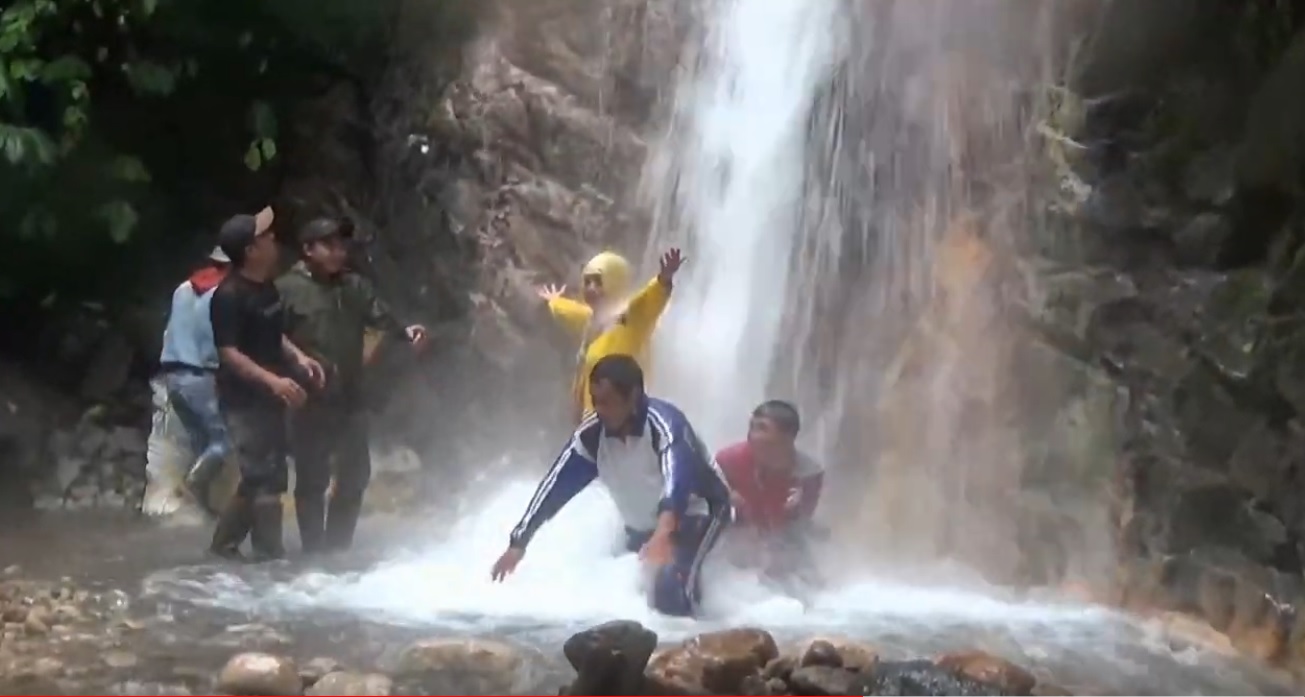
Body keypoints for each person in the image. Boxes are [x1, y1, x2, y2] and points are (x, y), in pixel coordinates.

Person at [490, 354, 732, 618]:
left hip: (699, 514)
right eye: (596, 402)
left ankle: (697, 643)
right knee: (617, 590)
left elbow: (679, 482)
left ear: (633, 397)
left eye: (608, 403)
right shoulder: (593, 435)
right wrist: (519, 542)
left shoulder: (666, 426)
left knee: (669, 590)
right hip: (643, 525)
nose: (600, 410)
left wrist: (663, 535)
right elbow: (555, 487)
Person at [276, 217, 429, 554]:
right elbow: (269, 336)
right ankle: (314, 552)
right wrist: (291, 366)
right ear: (307, 249)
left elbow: (382, 318)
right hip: (309, 398)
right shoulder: (286, 289)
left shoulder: (354, 286)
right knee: (312, 479)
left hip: (350, 396)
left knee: (356, 475)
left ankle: (338, 550)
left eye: (341, 246)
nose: (337, 252)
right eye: (328, 245)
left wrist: (406, 332)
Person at [207, 207, 325, 562]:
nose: (274, 239)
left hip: (271, 394)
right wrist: (273, 381)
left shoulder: (267, 286)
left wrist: (298, 357)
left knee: (263, 472)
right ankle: (270, 556)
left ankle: (223, 547)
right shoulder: (228, 295)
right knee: (268, 476)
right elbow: (229, 353)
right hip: (243, 399)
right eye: (265, 237)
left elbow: (275, 335)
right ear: (250, 251)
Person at [537, 248, 684, 424]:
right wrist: (554, 300)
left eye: (599, 282)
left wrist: (664, 279)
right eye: (587, 282)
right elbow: (567, 311)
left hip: (626, 423)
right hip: (591, 422)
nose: (591, 288)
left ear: (615, 283)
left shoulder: (633, 319)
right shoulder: (590, 320)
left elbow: (650, 299)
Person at [156, 245, 232, 515]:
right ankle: (190, 487)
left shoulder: (183, 289)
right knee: (222, 443)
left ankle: (203, 513)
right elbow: (218, 340)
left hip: (172, 376)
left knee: (202, 444)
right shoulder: (223, 294)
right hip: (199, 376)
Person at [713, 400, 825, 581]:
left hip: (782, 540)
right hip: (735, 536)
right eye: (752, 426)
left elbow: (800, 522)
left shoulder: (808, 473)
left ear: (788, 437)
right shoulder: (726, 462)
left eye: (762, 428)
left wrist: (795, 510)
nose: (752, 434)